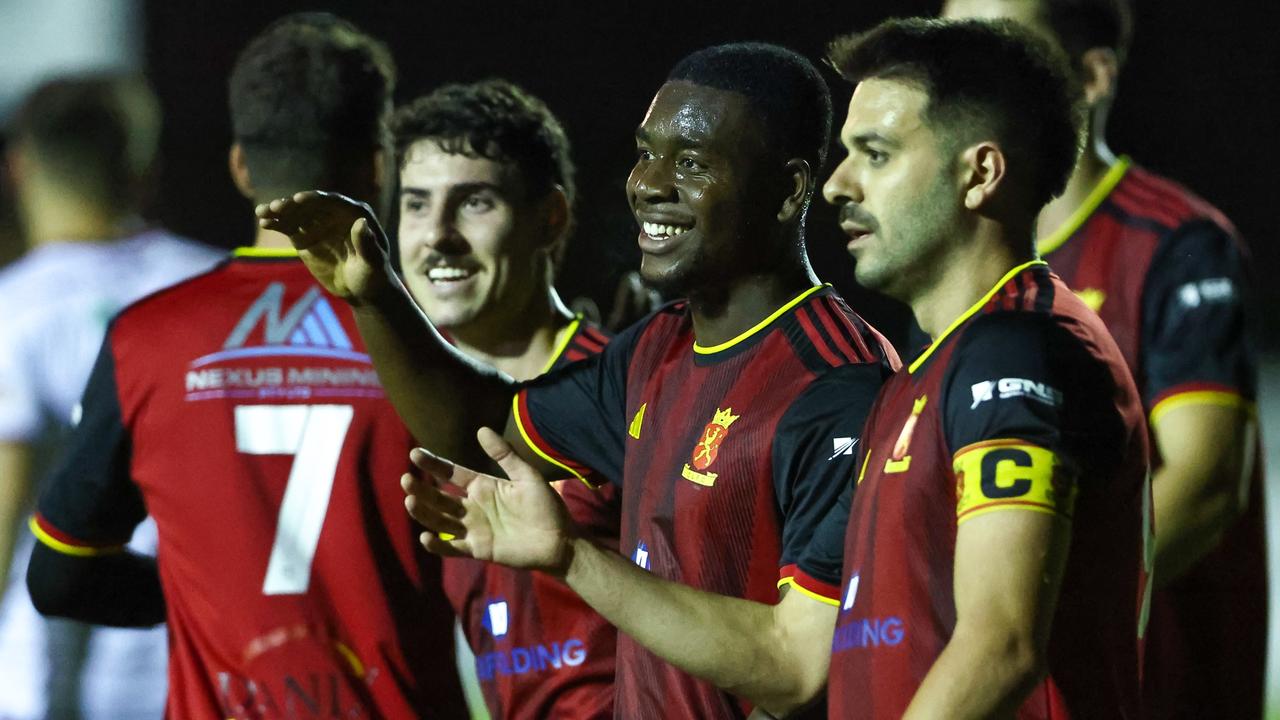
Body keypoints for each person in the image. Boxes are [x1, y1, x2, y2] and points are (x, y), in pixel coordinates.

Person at [401, 17, 1151, 720]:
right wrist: (570, 557)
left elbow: (1001, 645)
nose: (839, 185)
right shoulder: (934, 369)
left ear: (979, 173)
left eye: (877, 155)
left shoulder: (1012, 348)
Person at [258, 42, 898, 720]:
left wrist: (572, 558)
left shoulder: (837, 384)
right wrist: (376, 299)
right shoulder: (657, 348)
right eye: (646, 152)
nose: (648, 183)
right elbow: (483, 432)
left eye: (689, 163)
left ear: (790, 188)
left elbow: (796, 668)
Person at [25, 14, 468, 719]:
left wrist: (202, 594)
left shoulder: (148, 338)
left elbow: (59, 579)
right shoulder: (439, 339)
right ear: (379, 165)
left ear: (240, 166)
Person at [937, 2, 1262, 716]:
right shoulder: (952, 274)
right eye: (951, 52)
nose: (962, 82)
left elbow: (1205, 486)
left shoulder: (1176, 244)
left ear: (1091, 76)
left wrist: (1005, 621)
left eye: (1000, 53)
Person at [389, 78, 618, 720]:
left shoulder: (623, 385)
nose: (436, 236)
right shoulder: (402, 408)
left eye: (474, 203)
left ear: (550, 218)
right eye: (415, 205)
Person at [0, 73, 221, 720]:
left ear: (20, 168)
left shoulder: (10, 309)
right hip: (198, 655)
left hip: (46, 676)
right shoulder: (214, 288)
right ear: (142, 166)